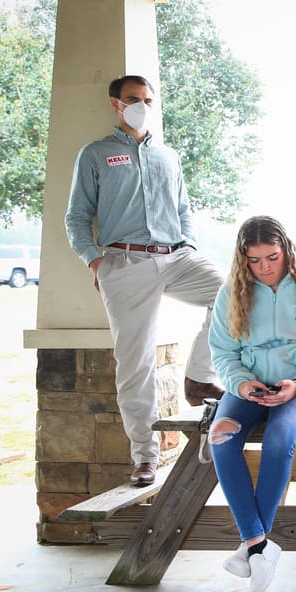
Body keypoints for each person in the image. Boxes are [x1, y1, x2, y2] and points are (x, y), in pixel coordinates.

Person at [65, 75, 226, 488]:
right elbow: (77, 217)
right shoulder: (96, 154)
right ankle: (145, 458)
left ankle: (197, 377)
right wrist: (95, 261)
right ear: (116, 103)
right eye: (133, 99)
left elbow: (183, 208)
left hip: (176, 257)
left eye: (147, 99)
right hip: (125, 262)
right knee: (135, 364)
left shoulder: (168, 156)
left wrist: (188, 244)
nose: (141, 105)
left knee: (232, 293)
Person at [205, 216, 296, 592]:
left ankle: (252, 546)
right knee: (220, 435)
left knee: (280, 436)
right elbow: (223, 353)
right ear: (242, 260)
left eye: (272, 257)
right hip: (250, 387)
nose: (264, 267)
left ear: (287, 252)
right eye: (254, 260)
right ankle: (259, 544)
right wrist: (241, 383)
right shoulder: (231, 292)